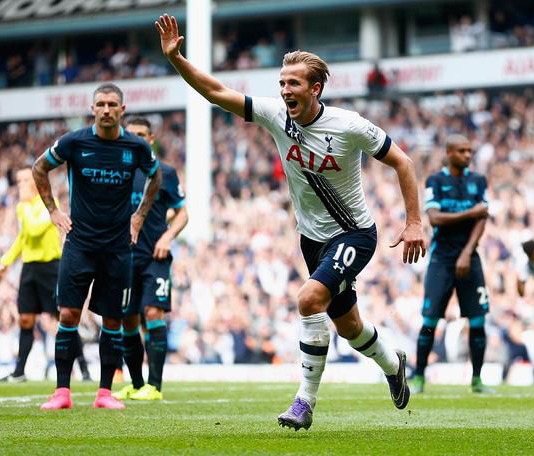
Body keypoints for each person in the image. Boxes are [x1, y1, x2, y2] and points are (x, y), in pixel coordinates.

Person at [155, 13, 426, 431]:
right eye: (282, 84)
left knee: (308, 300)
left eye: (293, 84)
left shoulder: (349, 125)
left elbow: (403, 162)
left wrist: (413, 222)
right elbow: (215, 91)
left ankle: (304, 401)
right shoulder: (275, 115)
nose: (285, 91)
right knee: (350, 327)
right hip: (311, 239)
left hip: (354, 233)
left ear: (315, 89)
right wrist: (177, 59)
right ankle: (393, 366)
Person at [32, 82, 162, 410]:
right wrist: (53, 210)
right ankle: (62, 391)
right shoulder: (75, 142)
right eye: (100, 104)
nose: (106, 109)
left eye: (111, 104)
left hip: (118, 246)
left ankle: (105, 392)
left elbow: (155, 176)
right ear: (93, 109)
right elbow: (39, 167)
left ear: (122, 109)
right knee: (68, 312)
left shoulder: (135, 147)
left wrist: (139, 217)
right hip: (80, 243)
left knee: (113, 319)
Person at [112, 117, 188, 401]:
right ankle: (136, 383)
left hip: (155, 255)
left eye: (141, 134)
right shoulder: (117, 171)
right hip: (124, 257)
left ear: (151, 138)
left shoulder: (165, 172)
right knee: (128, 321)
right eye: (131, 135)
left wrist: (168, 237)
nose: (137, 139)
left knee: (153, 313)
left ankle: (155, 387)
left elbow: (183, 213)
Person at [0, 168, 91, 383]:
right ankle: (19, 372)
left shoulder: (48, 204)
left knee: (65, 317)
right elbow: (23, 238)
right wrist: (4, 262)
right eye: (18, 181)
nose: (21, 185)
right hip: (30, 267)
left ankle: (84, 370)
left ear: (36, 183)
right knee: (26, 319)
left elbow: (35, 229)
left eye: (25, 180)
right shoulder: (23, 208)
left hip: (50, 267)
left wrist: (24, 206)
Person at [411, 134, 492, 394]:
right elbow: (435, 219)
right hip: (441, 260)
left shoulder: (478, 180)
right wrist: (472, 212)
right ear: (449, 153)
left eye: (470, 151)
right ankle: (420, 376)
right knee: (430, 320)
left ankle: (477, 379)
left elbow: (483, 220)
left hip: (470, 256)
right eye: (462, 151)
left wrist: (468, 252)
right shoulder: (435, 181)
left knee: (478, 320)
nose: (468, 155)